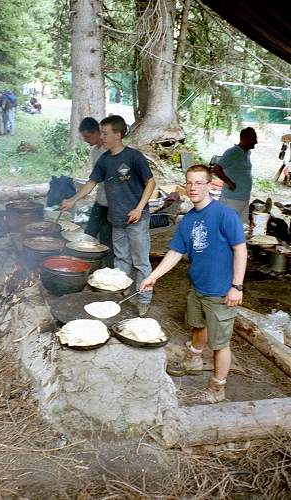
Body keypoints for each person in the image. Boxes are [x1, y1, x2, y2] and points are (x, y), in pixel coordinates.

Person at [140, 165, 247, 404]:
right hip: (197, 288)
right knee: (198, 326)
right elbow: (176, 252)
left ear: (210, 185)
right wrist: (153, 276)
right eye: (189, 182)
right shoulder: (188, 219)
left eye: (199, 183)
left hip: (221, 291)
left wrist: (236, 286)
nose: (193, 187)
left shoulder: (224, 214)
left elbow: (241, 249)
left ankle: (217, 388)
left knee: (220, 344)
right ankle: (193, 360)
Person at [62, 115, 156, 317]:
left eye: (105, 133)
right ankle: (120, 295)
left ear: (118, 135)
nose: (101, 137)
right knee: (121, 260)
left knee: (140, 261)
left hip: (137, 218)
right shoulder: (105, 159)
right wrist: (73, 199)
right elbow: (91, 183)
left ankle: (144, 299)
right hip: (116, 218)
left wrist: (139, 208)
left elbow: (150, 183)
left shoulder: (133, 157)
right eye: (101, 133)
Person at [78, 117, 113, 266]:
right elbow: (95, 178)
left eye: (87, 136)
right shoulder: (95, 151)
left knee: (106, 239)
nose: (85, 140)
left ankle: (109, 269)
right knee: (89, 233)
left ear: (98, 133)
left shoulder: (110, 151)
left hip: (112, 204)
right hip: (100, 200)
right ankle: (85, 265)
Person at [213, 127, 257, 224]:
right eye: (253, 139)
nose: (256, 142)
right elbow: (216, 169)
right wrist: (229, 182)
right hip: (231, 199)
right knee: (227, 227)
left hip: (243, 198)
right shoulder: (233, 152)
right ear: (244, 138)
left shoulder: (247, 153)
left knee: (239, 228)